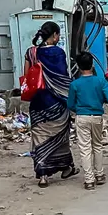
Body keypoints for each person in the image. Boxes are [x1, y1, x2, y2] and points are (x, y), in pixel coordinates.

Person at [23, 21, 77, 188]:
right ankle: (66, 166)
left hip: (38, 103)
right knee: (61, 136)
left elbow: (27, 77)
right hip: (57, 103)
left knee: (40, 137)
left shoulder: (31, 53)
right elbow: (63, 78)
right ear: (54, 35)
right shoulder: (58, 53)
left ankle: (43, 175)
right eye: (58, 35)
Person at [67, 50, 108, 190]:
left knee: (85, 148)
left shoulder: (75, 84)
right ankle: (99, 174)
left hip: (82, 117)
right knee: (97, 145)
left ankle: (89, 180)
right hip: (97, 117)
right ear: (92, 65)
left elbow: (70, 104)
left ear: (79, 67)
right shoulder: (101, 81)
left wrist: (78, 110)